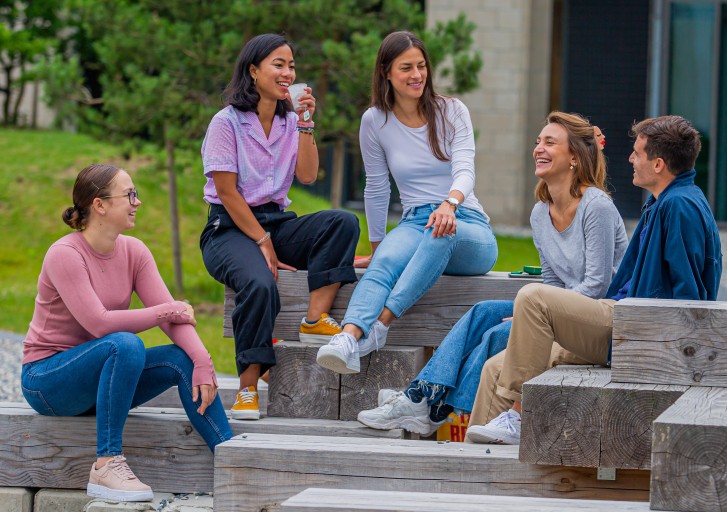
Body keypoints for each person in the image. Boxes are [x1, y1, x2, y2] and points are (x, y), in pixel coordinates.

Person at [356, 114, 627, 435]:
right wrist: (535, 316)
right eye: (538, 141)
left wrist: (538, 318)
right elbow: (554, 283)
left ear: (574, 157)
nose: (539, 148)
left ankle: (433, 406)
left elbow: (598, 286)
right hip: (561, 310)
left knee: (498, 335)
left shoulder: (596, 206)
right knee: (485, 312)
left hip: (598, 321)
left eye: (550, 142)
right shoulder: (541, 213)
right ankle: (423, 395)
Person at [466, 115, 722, 444]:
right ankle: (479, 464)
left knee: (533, 298)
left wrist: (661, 352)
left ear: (658, 164)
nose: (630, 158)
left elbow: (687, 298)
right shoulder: (664, 203)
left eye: (637, 153)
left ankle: (518, 415)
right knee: (494, 368)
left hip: (635, 333)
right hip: (620, 321)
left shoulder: (679, 207)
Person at [21, 164, 233, 502]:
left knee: (184, 360)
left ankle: (231, 457)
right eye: (129, 195)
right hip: (47, 380)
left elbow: (172, 320)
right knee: (125, 344)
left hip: (100, 378)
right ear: (99, 205)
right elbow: (101, 324)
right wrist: (169, 309)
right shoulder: (65, 254)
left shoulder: (134, 251)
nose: (138, 202)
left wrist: (203, 359)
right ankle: (107, 462)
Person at [315, 31, 498, 375]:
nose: (416, 75)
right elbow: (377, 186)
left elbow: (465, 170)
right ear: (386, 72)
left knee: (442, 231)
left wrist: (450, 204)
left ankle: (381, 326)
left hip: (468, 224)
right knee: (384, 263)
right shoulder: (375, 120)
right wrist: (377, 244)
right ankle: (349, 337)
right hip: (416, 222)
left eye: (421, 66)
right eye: (405, 68)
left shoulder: (452, 110)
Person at [199, 34, 360, 419]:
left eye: (291, 65)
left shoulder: (291, 122)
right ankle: (248, 388)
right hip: (229, 227)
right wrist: (262, 241)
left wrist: (305, 124)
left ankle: (314, 319)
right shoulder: (226, 123)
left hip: (276, 219)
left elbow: (307, 174)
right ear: (253, 71)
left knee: (341, 222)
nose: (287, 72)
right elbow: (227, 191)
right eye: (278, 64)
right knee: (258, 282)